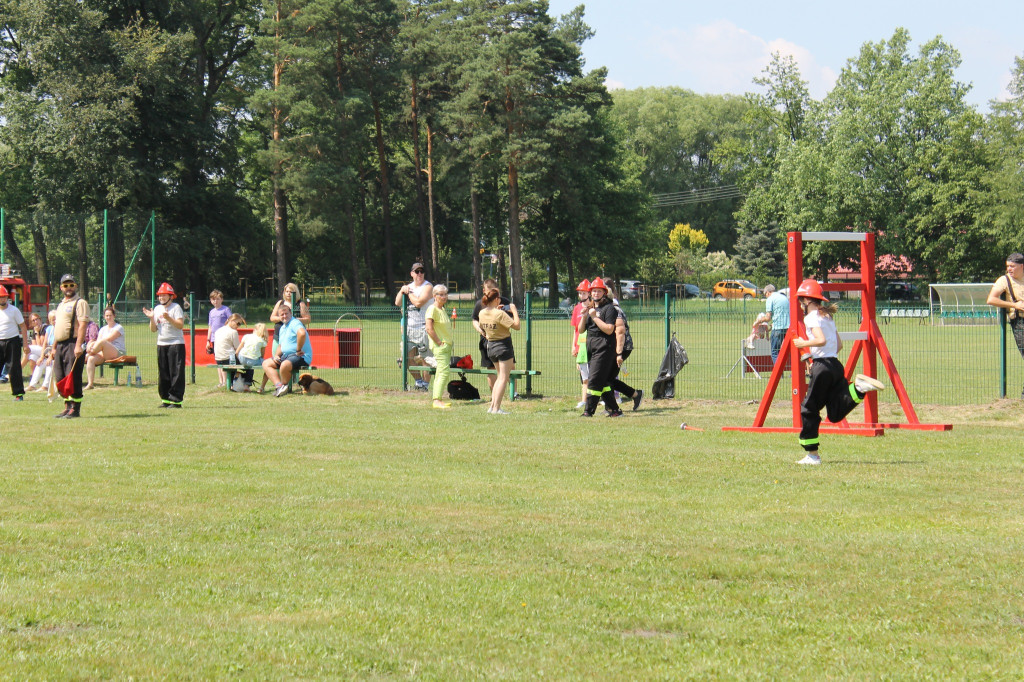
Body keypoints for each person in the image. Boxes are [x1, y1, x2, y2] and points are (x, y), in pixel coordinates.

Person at [792, 279, 885, 465]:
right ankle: (859, 388)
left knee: (808, 409)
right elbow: (839, 345)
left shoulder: (810, 317)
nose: (801, 304)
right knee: (834, 413)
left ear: (808, 300)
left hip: (823, 367)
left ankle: (812, 456)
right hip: (835, 364)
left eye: (801, 300)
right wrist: (818, 358)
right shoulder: (827, 316)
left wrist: (804, 344)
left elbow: (821, 340)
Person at [577, 278, 621, 417]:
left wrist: (595, 317)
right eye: (594, 291)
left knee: (594, 380)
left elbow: (609, 329)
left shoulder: (609, 308)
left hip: (604, 348)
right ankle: (615, 410)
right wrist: (584, 316)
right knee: (603, 382)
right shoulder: (591, 309)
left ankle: (588, 411)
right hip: (592, 348)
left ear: (604, 293)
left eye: (599, 291)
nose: (596, 293)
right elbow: (581, 330)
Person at [51, 273, 91, 417]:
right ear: (61, 288)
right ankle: (67, 406)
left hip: (72, 343)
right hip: (60, 345)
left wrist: (78, 345)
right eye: (65, 285)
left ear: (76, 286)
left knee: (72, 377)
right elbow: (58, 328)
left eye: (71, 285)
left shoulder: (80, 303)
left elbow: (82, 325)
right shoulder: (61, 304)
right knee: (60, 377)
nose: (69, 288)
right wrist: (53, 347)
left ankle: (75, 408)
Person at [261, 282, 312, 393]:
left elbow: (302, 333)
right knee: (266, 363)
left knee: (285, 365)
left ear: (291, 313)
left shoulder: (295, 322)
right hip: (286, 355)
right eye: (282, 315)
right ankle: (279, 386)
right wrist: (276, 356)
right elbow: (281, 345)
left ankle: (285, 386)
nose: (284, 316)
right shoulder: (283, 327)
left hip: (301, 356)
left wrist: (298, 349)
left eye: (286, 314)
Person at [986, 253, 1024, 399]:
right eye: (1008, 266)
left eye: (1012, 266)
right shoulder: (1004, 280)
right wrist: (1014, 305)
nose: (1009, 269)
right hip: (1020, 322)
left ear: (1022, 266)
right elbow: (991, 299)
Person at [143, 282, 186, 408]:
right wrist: (151, 318)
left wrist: (169, 318)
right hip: (161, 343)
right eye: (160, 295)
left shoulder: (176, 308)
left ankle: (176, 400)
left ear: (171, 296)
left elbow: (180, 325)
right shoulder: (157, 309)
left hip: (175, 343)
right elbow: (153, 329)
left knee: (176, 372)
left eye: (164, 295)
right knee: (163, 373)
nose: (161, 298)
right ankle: (165, 399)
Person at [477, 288, 520, 414]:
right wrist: (514, 311)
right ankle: (496, 408)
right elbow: (517, 326)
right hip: (503, 346)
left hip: (490, 346)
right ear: (496, 299)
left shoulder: (482, 313)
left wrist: (497, 310)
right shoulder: (500, 314)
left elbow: (483, 326)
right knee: (503, 378)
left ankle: (492, 407)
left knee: (499, 376)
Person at [394, 262, 434, 390]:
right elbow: (397, 303)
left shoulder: (428, 286)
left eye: (422, 271)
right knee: (406, 358)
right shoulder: (408, 287)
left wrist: (409, 293)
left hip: (424, 327)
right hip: (409, 328)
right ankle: (418, 382)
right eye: (417, 271)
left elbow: (418, 303)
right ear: (412, 274)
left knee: (426, 359)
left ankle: (425, 386)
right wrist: (402, 290)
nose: (420, 274)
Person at [605, 280, 643, 411]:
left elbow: (620, 332)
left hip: (622, 347)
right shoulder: (605, 308)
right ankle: (634, 395)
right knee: (608, 378)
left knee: (607, 378)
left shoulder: (614, 309)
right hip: (613, 347)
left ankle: (612, 407)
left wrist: (619, 354)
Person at [472, 278, 512, 398]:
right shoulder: (480, 304)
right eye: (489, 292)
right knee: (491, 368)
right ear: (484, 291)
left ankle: (513, 393)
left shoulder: (504, 301)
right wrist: (480, 330)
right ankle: (495, 396)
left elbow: (510, 320)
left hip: (503, 340)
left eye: (494, 292)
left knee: (510, 367)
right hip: (487, 341)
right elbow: (474, 320)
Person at [424, 284, 453, 409]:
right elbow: (429, 328)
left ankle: (437, 398)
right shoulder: (432, 309)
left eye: (445, 294)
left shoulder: (442, 309)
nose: (444, 297)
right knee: (443, 372)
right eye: (441, 294)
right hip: (440, 346)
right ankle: (437, 400)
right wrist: (439, 343)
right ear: (434, 296)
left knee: (442, 372)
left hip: (446, 345)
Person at [84, 307, 127, 389]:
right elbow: (98, 342)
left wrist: (92, 347)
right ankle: (90, 384)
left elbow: (108, 339)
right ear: (104, 317)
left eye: (110, 315)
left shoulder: (119, 327)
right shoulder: (103, 329)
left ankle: (87, 354)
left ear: (114, 316)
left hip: (118, 352)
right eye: (106, 316)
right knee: (91, 359)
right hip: (104, 352)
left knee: (102, 342)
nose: (108, 317)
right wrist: (91, 344)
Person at [0, 284, 30, 401]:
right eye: (0, 297)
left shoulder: (14, 310)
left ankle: (18, 394)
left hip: (12, 341)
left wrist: (25, 345)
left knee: (14, 368)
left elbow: (23, 327)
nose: (2, 299)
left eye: (4, 297)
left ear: (7, 297)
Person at [752, 284, 790, 366]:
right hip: (788, 327)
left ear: (768, 292)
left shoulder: (770, 299)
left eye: (765, 294)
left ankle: (778, 371)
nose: (766, 296)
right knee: (785, 350)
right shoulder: (784, 297)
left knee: (775, 351)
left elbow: (768, 317)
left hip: (778, 327)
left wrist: (758, 321)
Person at [570, 279, 591, 408]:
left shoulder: (593, 307)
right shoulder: (577, 308)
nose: (581, 295)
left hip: (592, 345)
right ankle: (584, 400)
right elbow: (576, 330)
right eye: (580, 293)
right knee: (584, 376)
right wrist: (573, 346)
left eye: (584, 293)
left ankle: (598, 398)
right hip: (581, 346)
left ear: (589, 293)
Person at [207, 289, 232, 387]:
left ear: (222, 299)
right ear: (211, 300)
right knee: (217, 360)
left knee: (223, 360)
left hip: (223, 339)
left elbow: (231, 322)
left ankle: (226, 382)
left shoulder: (226, 310)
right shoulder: (211, 312)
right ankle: (221, 381)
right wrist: (208, 340)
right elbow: (210, 327)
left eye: (217, 299)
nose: (215, 301)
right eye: (213, 299)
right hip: (214, 339)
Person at [28, 310, 56, 391]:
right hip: (47, 351)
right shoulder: (49, 329)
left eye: (56, 319)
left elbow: (56, 345)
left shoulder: (59, 330)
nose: (54, 321)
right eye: (52, 319)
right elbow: (44, 344)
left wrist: (50, 356)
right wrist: (41, 357)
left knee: (49, 363)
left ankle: (45, 386)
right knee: (39, 362)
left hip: (56, 352)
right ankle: (32, 385)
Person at [237, 322, 269, 391]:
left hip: (242, 358)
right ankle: (261, 387)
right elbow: (262, 355)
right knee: (268, 365)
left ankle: (244, 384)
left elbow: (238, 350)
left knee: (249, 367)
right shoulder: (262, 341)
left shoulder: (246, 336)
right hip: (253, 360)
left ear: (254, 329)